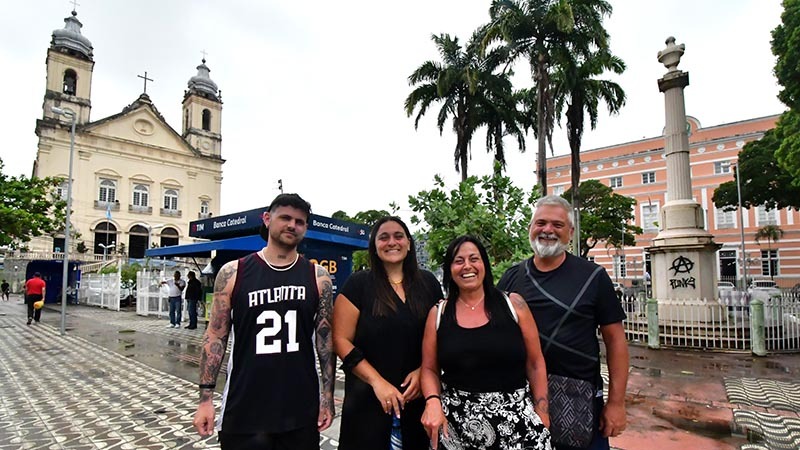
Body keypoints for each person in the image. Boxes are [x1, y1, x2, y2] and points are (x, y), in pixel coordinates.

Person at [192, 193, 335, 450]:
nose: (292, 225)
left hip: (300, 407)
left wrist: (327, 396)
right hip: (245, 405)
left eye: (300, 221)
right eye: (285, 218)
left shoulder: (318, 277)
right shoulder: (233, 272)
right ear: (267, 219)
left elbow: (325, 341)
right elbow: (215, 336)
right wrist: (205, 399)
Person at [497, 195, 629, 450]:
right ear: (530, 228)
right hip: (523, 398)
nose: (548, 230)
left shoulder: (593, 277)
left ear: (570, 232)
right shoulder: (512, 277)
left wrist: (616, 403)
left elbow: (615, 341)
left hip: (579, 399)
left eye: (557, 225)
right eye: (541, 223)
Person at [420, 235, 551, 450]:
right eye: (458, 261)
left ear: (484, 265)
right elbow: (429, 369)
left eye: (474, 259)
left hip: (518, 423)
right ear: (450, 270)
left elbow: (535, 363)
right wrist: (432, 400)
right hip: (456, 427)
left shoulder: (514, 305)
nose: (467, 266)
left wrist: (542, 412)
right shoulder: (438, 314)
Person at [333, 216, 443, 449]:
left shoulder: (429, 283)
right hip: (368, 398)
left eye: (398, 236)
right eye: (383, 237)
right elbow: (341, 340)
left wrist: (424, 371)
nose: (392, 242)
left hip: (417, 398)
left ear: (409, 243)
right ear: (374, 246)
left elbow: (441, 335)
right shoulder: (358, 284)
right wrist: (377, 382)